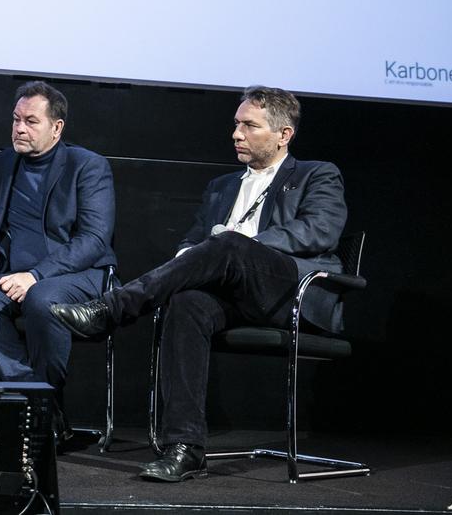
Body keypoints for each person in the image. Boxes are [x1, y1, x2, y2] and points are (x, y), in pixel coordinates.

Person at [50, 86, 348, 482]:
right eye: (236, 124)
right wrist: (188, 257)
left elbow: (319, 231)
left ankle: (111, 309)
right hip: (230, 293)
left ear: (283, 135)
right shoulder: (222, 187)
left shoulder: (316, 173)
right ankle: (185, 449)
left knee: (225, 243)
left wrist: (243, 244)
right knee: (188, 300)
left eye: (249, 126)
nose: (236, 134)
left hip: (288, 289)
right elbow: (192, 241)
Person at [0, 80, 116, 446]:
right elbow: (14, 211)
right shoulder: (5, 162)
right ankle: (38, 399)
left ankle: (39, 405)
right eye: (16, 120)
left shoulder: (87, 166)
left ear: (56, 127)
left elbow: (94, 240)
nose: (19, 128)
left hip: (82, 275)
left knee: (42, 299)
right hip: (21, 274)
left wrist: (36, 275)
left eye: (31, 121)